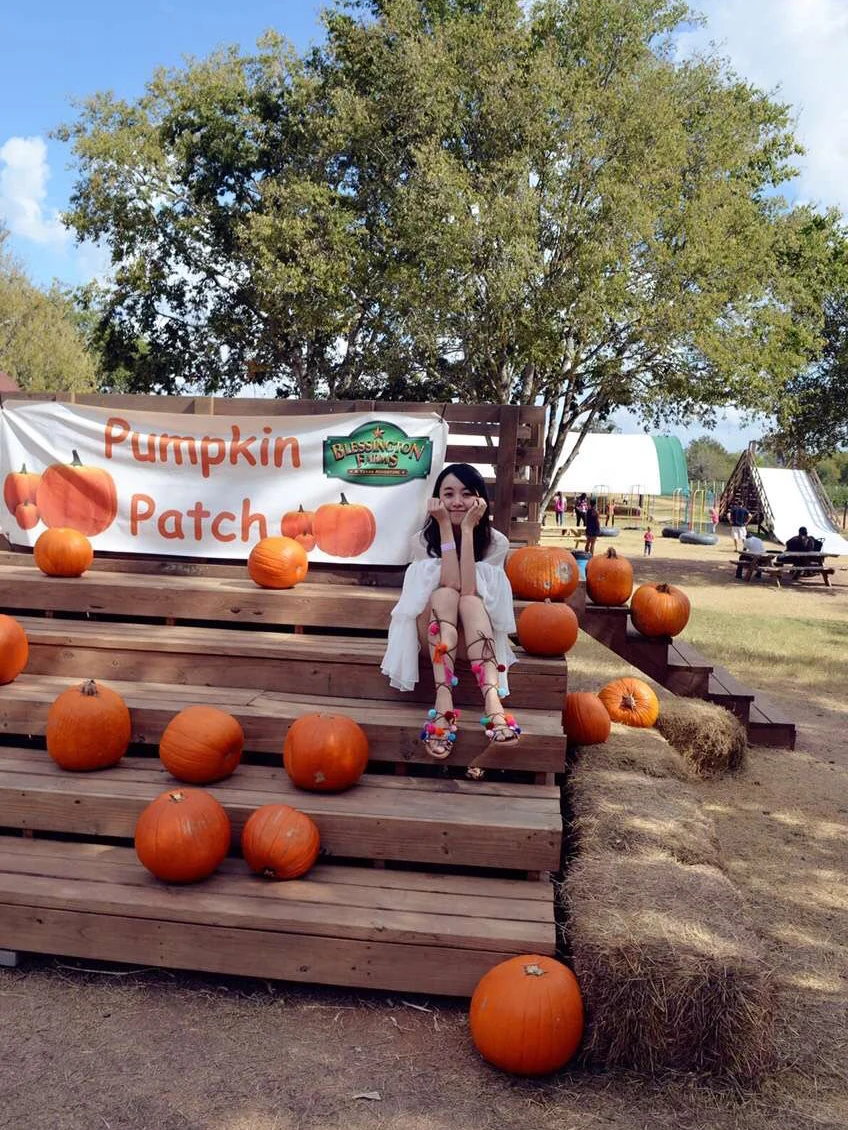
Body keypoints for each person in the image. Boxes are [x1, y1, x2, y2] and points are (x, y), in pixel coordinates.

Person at [380, 463, 519, 777]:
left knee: (470, 601)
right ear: (436, 500)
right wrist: (444, 526)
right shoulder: (420, 542)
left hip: (473, 628)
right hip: (432, 631)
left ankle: (491, 701)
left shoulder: (497, 543)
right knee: (445, 595)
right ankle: (443, 698)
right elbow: (451, 584)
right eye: (449, 494)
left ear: (480, 500)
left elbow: (468, 588)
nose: (457, 502)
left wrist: (468, 531)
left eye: (467, 494)